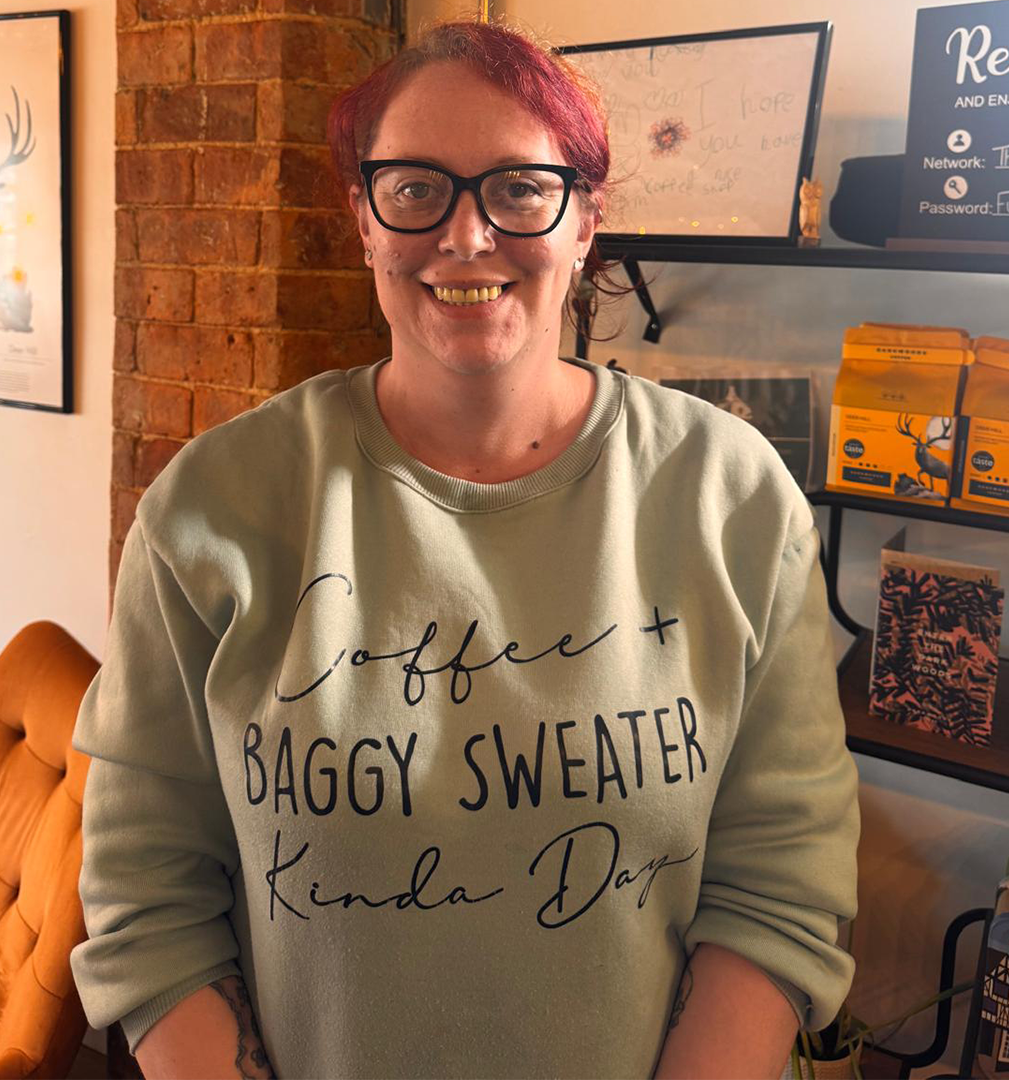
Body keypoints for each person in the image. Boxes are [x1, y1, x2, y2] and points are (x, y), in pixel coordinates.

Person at [70, 18, 860, 1080]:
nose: (468, 235)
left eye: (521, 189)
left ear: (586, 220)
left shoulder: (733, 498)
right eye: (414, 188)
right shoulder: (215, 508)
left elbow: (780, 880)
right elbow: (147, 889)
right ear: (364, 218)